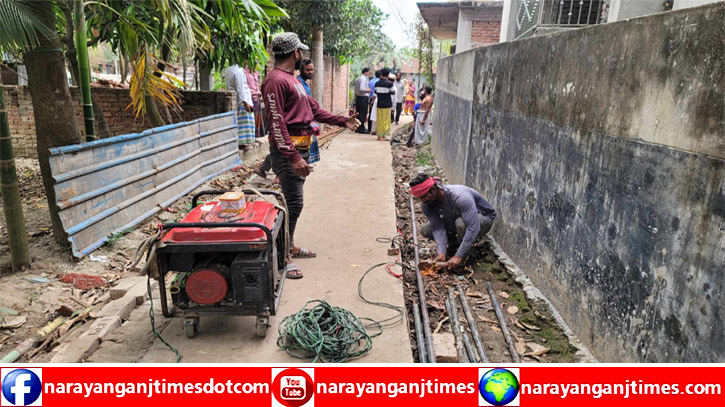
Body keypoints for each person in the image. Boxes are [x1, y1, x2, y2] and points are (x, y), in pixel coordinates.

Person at [261, 32, 361, 278]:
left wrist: (342, 121)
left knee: (293, 203)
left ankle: (289, 245)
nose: (302, 55)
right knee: (293, 204)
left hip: (300, 149)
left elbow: (314, 109)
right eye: (301, 52)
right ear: (295, 53)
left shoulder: (293, 80)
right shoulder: (275, 81)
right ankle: (283, 255)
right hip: (288, 152)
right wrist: (294, 157)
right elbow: (276, 123)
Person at [409, 174, 496, 269]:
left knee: (461, 224)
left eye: (424, 196)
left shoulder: (460, 197)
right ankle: (455, 245)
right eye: (420, 198)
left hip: (482, 219)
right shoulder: (427, 204)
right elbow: (437, 227)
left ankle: (467, 256)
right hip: (457, 219)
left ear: (433, 190)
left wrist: (458, 256)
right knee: (427, 230)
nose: (423, 200)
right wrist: (441, 251)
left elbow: (473, 227)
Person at [296, 59, 321, 164]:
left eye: (312, 69)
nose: (310, 72)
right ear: (301, 69)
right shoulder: (298, 83)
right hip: (300, 119)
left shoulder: (304, 83)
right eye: (308, 70)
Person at [225, 63, 255, 146]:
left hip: (237, 101)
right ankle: (243, 143)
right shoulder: (239, 72)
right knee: (244, 124)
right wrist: (245, 102)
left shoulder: (229, 70)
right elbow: (240, 88)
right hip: (243, 102)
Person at [243, 66, 265, 139]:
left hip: (257, 97)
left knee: (257, 120)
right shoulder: (244, 72)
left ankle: (256, 137)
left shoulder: (255, 72)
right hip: (250, 98)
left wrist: (258, 91)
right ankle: (252, 137)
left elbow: (256, 85)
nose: (255, 62)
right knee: (251, 119)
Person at [374, 68, 395, 141]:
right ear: (388, 74)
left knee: (379, 120)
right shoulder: (390, 84)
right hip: (387, 104)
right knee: (385, 120)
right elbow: (393, 92)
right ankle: (383, 136)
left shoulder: (377, 83)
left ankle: (379, 135)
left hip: (379, 103)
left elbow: (375, 93)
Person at [353, 67, 371, 133]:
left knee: (358, 113)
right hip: (363, 97)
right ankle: (361, 128)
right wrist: (368, 90)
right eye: (369, 73)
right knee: (363, 113)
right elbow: (361, 89)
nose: (369, 74)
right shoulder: (363, 79)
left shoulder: (358, 78)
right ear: (366, 72)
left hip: (358, 97)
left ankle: (358, 127)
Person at [368, 70, 381, 135]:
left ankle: (370, 128)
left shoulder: (371, 81)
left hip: (371, 98)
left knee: (371, 113)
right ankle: (377, 129)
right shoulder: (379, 82)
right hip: (377, 98)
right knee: (378, 114)